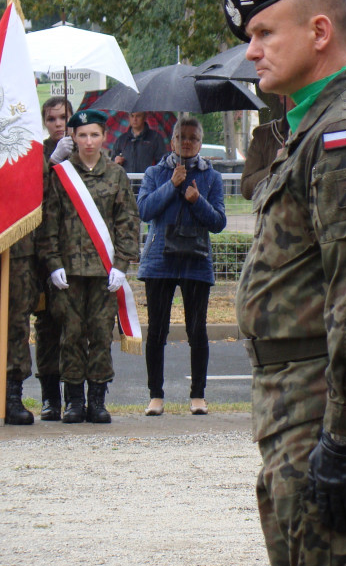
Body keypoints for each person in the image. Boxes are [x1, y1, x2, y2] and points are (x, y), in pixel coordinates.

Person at [225, 0, 346, 566]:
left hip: (323, 405)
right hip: (296, 401)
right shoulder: (311, 128)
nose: (251, 52)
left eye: (265, 33)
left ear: (320, 33)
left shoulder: (345, 132)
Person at [39, 108, 140, 424]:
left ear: (104, 137)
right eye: (82, 135)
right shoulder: (62, 175)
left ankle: (97, 399)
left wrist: (122, 263)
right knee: (70, 335)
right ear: (73, 137)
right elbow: (49, 223)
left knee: (99, 334)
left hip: (103, 271)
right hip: (68, 272)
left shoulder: (116, 175)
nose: (88, 141)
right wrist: (53, 263)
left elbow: (127, 220)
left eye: (94, 134)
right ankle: (73, 401)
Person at [137, 117, 227, 417]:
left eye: (193, 137)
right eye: (180, 136)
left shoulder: (211, 177)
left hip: (196, 261)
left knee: (197, 329)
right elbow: (145, 210)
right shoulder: (155, 172)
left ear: (200, 143)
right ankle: (155, 396)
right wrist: (171, 185)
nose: (186, 142)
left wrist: (197, 200)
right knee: (157, 331)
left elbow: (218, 223)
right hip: (160, 260)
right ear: (171, 141)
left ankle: (198, 395)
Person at [4, 97, 72, 424]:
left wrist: (46, 162)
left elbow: (40, 199)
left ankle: (12, 394)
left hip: (21, 248)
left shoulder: (29, 149)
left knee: (17, 320)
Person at [241, 113, 289, 200]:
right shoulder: (265, 135)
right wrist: (276, 166)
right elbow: (246, 189)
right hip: (276, 210)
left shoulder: (318, 130)